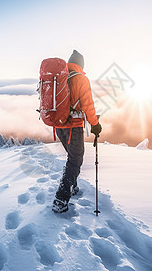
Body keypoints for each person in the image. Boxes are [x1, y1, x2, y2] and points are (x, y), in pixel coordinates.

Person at [52, 50, 102, 213]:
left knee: (72, 158)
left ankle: (71, 186)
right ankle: (61, 199)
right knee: (75, 160)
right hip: (73, 127)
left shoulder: (60, 78)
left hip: (59, 126)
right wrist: (95, 124)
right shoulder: (81, 79)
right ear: (81, 65)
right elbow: (88, 105)